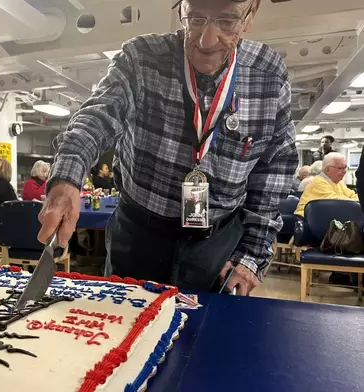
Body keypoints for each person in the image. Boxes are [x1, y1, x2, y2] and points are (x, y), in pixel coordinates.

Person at [37, 0, 298, 296]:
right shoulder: (142, 57)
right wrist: (66, 178)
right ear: (180, 11)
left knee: (206, 338)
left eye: (227, 21)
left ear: (250, 17)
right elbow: (97, 116)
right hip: (137, 238)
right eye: (196, 18)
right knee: (124, 333)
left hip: (217, 248)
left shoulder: (268, 73)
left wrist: (252, 254)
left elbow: (275, 166)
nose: (207, 40)